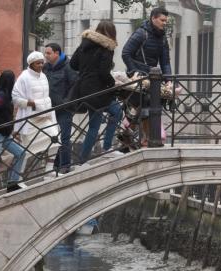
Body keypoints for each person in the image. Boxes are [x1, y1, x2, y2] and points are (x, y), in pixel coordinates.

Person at [70, 21, 122, 164]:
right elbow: (104, 72)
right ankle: (106, 149)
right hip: (98, 90)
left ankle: (84, 159)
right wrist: (114, 83)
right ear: (111, 34)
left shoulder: (84, 43)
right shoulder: (107, 47)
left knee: (96, 123)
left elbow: (73, 64)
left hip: (83, 88)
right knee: (116, 112)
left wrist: (86, 69)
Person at [122, 7, 172, 144]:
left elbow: (165, 62)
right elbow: (126, 53)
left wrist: (168, 80)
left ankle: (135, 137)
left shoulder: (162, 39)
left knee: (149, 105)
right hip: (137, 78)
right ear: (153, 18)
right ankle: (144, 138)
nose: (164, 23)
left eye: (166, 21)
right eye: (162, 20)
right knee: (144, 105)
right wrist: (133, 72)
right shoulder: (140, 33)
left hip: (152, 78)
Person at [0, 70, 28, 192]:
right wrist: (4, 125)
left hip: (4, 134)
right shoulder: (0, 96)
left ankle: (12, 183)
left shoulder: (4, 94)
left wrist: (9, 128)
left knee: (20, 153)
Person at [12, 51, 59, 159]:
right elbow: (15, 98)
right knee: (27, 151)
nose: (41, 65)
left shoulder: (44, 76)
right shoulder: (23, 77)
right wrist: (32, 103)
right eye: (38, 63)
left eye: (42, 63)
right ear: (31, 64)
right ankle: (20, 174)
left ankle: (50, 172)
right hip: (30, 119)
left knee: (55, 139)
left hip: (45, 117)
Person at [43, 42, 78, 174]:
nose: (46, 56)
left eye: (48, 53)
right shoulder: (46, 68)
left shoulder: (68, 67)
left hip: (65, 109)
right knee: (53, 137)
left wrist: (67, 102)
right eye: (45, 53)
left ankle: (65, 165)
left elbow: (75, 85)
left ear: (57, 53)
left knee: (64, 136)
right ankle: (55, 165)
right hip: (49, 109)